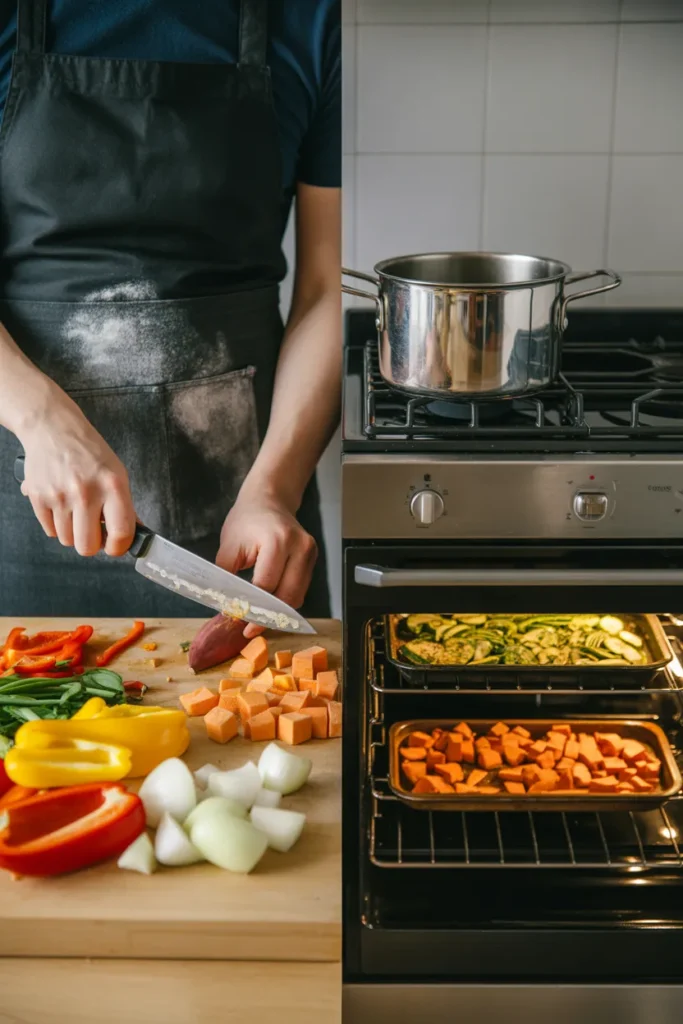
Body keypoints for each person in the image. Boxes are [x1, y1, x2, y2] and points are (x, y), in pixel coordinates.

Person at [0, 0, 341, 622]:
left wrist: (275, 489)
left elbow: (328, 289)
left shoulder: (313, 22)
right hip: (24, 505)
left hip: (246, 511)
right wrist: (42, 418)